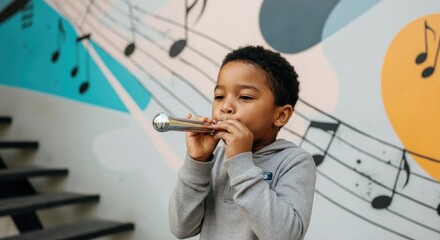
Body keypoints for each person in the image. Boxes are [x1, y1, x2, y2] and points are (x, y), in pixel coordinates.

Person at [168, 45, 316, 240]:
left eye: (245, 97)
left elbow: (285, 236)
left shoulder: (295, 162)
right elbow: (182, 228)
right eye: (219, 96)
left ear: (281, 115)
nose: (226, 107)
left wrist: (240, 162)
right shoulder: (216, 158)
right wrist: (197, 163)